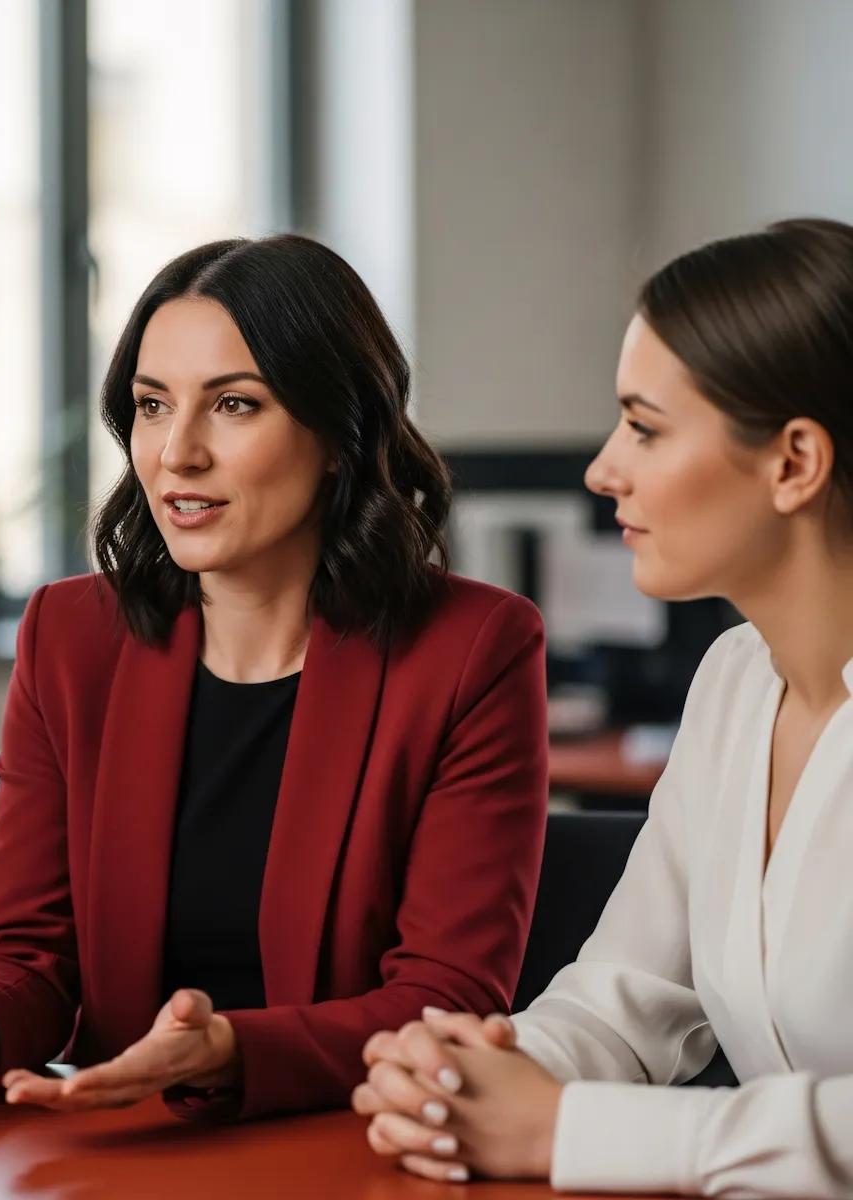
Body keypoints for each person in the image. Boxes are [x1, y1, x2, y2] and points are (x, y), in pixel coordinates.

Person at [0, 234, 549, 1121]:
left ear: (340, 433)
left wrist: (232, 1053)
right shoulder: (72, 637)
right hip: (116, 1147)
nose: (177, 453)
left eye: (234, 404)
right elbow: (26, 953)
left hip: (353, 1144)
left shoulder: (472, 648)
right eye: (153, 405)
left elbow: (445, 1000)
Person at [355, 218, 853, 1197]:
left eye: (645, 427)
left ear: (794, 462)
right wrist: (466, 1076)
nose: (603, 469)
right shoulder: (734, 682)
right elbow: (623, 1000)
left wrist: (570, 1130)